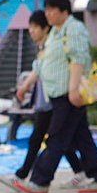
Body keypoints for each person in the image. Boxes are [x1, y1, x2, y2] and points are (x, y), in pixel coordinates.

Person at [1, 0, 97, 193]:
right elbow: (42, 64)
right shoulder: (55, 33)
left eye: (52, 10)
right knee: (82, 139)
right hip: (59, 95)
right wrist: (25, 85)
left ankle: (40, 181)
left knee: (56, 138)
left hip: (68, 95)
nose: (48, 14)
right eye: (46, 10)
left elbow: (78, 59)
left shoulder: (74, 29)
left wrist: (73, 89)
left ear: (64, 11)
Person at [12, 10, 84, 183]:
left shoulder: (53, 45)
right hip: (46, 102)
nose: (31, 31)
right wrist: (25, 86)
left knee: (50, 139)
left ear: (45, 29)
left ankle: (28, 176)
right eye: (30, 27)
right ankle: (82, 171)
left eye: (35, 27)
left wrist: (25, 86)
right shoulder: (44, 47)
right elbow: (38, 69)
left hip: (53, 101)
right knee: (56, 140)